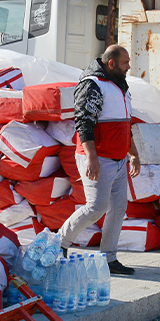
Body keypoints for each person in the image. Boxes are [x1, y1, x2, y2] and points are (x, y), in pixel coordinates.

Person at [59, 45, 142, 275]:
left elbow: (125, 125)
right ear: (111, 63)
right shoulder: (92, 85)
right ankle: (60, 243)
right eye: (125, 63)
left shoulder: (120, 86)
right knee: (96, 207)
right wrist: (91, 158)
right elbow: (84, 123)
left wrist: (133, 153)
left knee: (118, 208)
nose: (128, 67)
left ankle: (109, 258)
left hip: (117, 160)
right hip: (99, 158)